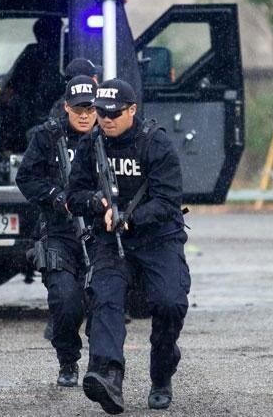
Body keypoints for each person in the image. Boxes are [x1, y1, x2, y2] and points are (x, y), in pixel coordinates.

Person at [67, 78, 189, 413]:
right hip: (109, 240)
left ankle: (161, 375)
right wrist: (97, 204)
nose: (105, 119)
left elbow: (168, 201)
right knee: (105, 298)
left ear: (132, 110)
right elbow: (73, 195)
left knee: (169, 304)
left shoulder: (156, 144)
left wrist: (129, 219)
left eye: (114, 113)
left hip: (157, 238)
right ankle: (108, 376)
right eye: (100, 112)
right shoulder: (90, 145)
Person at [15, 75, 98, 387]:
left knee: (104, 303)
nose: (84, 115)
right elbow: (26, 178)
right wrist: (54, 196)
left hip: (99, 234)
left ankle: (103, 365)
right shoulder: (48, 137)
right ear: (66, 107)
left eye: (90, 109)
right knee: (66, 302)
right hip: (60, 234)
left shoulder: (109, 136)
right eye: (78, 109)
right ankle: (68, 361)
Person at [1, 16, 66, 152]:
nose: (44, 41)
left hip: (49, 114)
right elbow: (10, 88)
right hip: (35, 114)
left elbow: (9, 88)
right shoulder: (33, 54)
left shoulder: (69, 52)